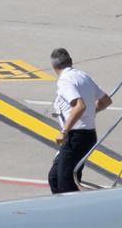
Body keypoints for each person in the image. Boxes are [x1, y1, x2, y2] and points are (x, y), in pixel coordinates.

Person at [48, 48, 110, 194]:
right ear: (70, 61)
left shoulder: (64, 81)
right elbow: (106, 101)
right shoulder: (83, 76)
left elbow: (79, 106)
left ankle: (71, 213)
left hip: (76, 138)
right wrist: (90, 112)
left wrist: (64, 131)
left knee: (65, 184)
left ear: (54, 67)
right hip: (86, 136)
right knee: (55, 177)